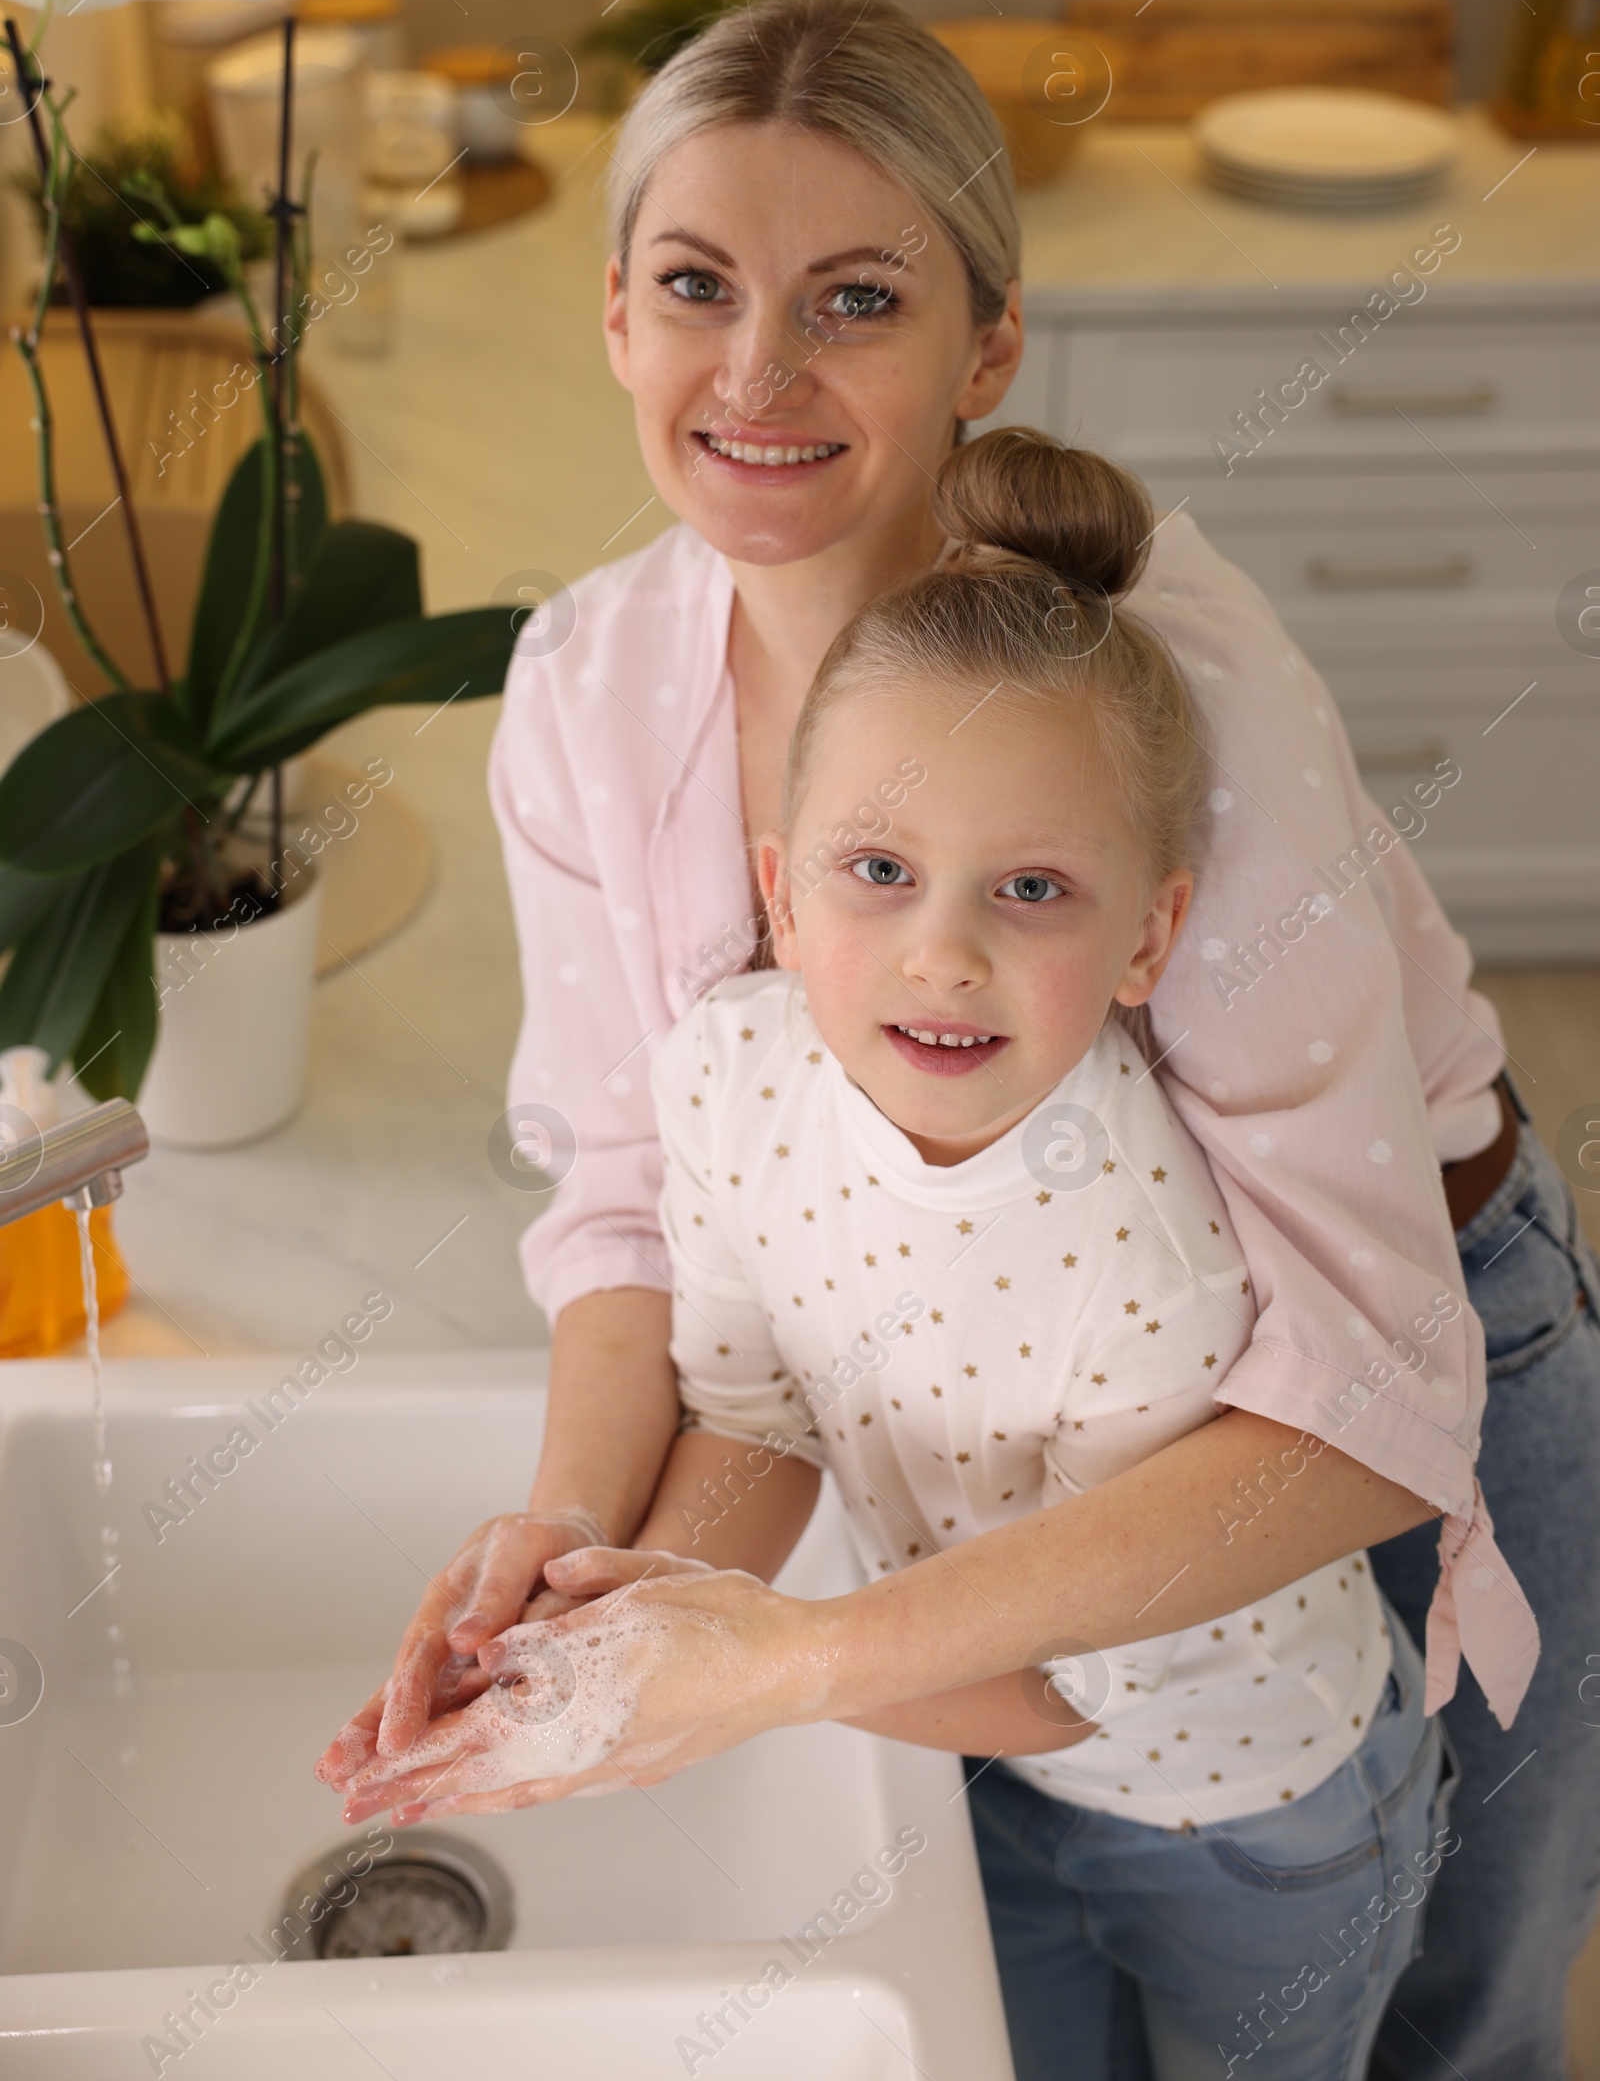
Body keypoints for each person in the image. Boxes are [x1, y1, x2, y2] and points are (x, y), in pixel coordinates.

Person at [317, 0, 1599, 2080]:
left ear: (985, 345)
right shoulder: (584, 685)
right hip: (965, 1447)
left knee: (1448, 2013)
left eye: (852, 300)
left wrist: (787, 1656)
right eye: (693, 287)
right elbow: (638, 1189)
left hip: (1380, 1358)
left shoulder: (1177, 698)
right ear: (615, 316)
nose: (756, 373)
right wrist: (582, 1569)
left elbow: (1358, 1384)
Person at [337, 428, 1457, 2078]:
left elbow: (1083, 1691)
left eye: (1032, 889)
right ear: (782, 898)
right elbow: (755, 1414)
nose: (942, 953)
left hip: (1249, 1812)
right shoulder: (732, 1072)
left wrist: (734, 1674)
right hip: (971, 1746)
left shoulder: (1138, 1247)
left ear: (1150, 933)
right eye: (880, 873)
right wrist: (591, 1615)